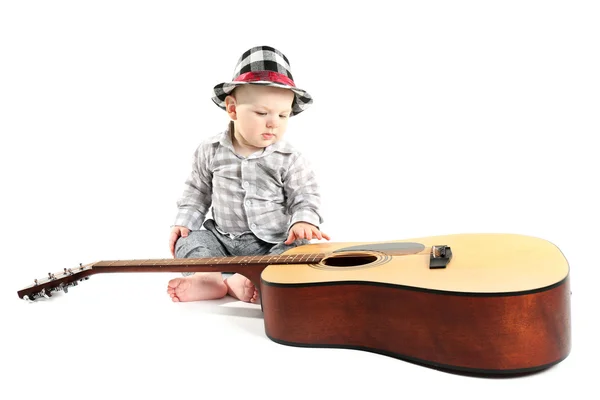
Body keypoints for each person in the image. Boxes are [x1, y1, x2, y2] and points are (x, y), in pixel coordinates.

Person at [166, 46, 329, 304]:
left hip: (271, 244)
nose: (273, 122)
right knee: (189, 241)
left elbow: (305, 196)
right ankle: (208, 278)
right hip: (221, 241)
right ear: (232, 109)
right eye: (262, 113)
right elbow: (197, 191)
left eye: (283, 115)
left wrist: (303, 222)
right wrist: (184, 221)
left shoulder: (290, 158)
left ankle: (248, 279)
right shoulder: (210, 150)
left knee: (301, 250)